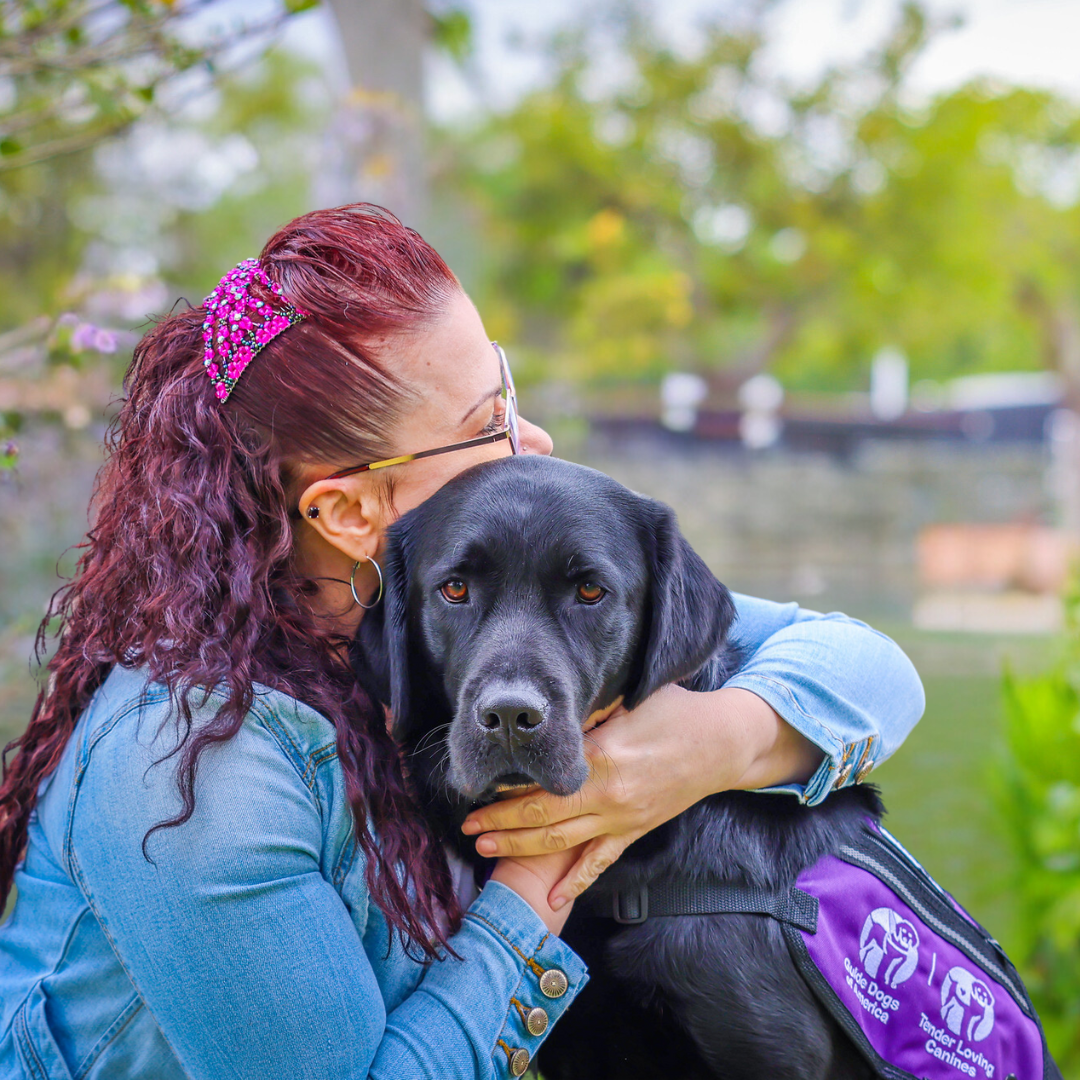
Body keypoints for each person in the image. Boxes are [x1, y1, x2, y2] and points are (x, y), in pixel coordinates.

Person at [0, 204, 924, 1080]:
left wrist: (700, 749)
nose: (535, 440)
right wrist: (534, 881)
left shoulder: (444, 586)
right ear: (350, 510)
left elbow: (868, 668)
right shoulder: (196, 772)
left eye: (507, 388)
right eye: (485, 424)